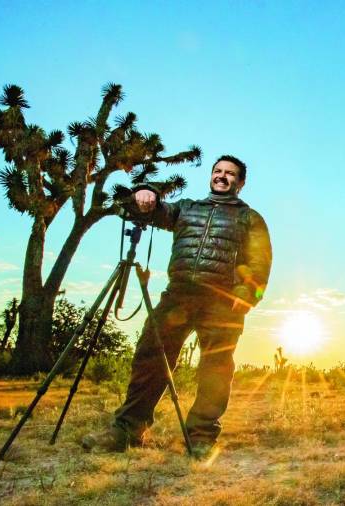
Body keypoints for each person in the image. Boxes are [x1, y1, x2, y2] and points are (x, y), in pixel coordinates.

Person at [82, 155, 272, 457]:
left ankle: (201, 436)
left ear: (241, 182)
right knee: (150, 357)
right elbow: (155, 211)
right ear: (211, 176)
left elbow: (260, 262)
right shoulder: (187, 207)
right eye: (217, 171)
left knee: (215, 369)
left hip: (221, 302)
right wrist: (146, 192)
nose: (222, 176)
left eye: (230, 173)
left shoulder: (250, 218)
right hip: (178, 296)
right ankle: (128, 428)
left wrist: (245, 297)